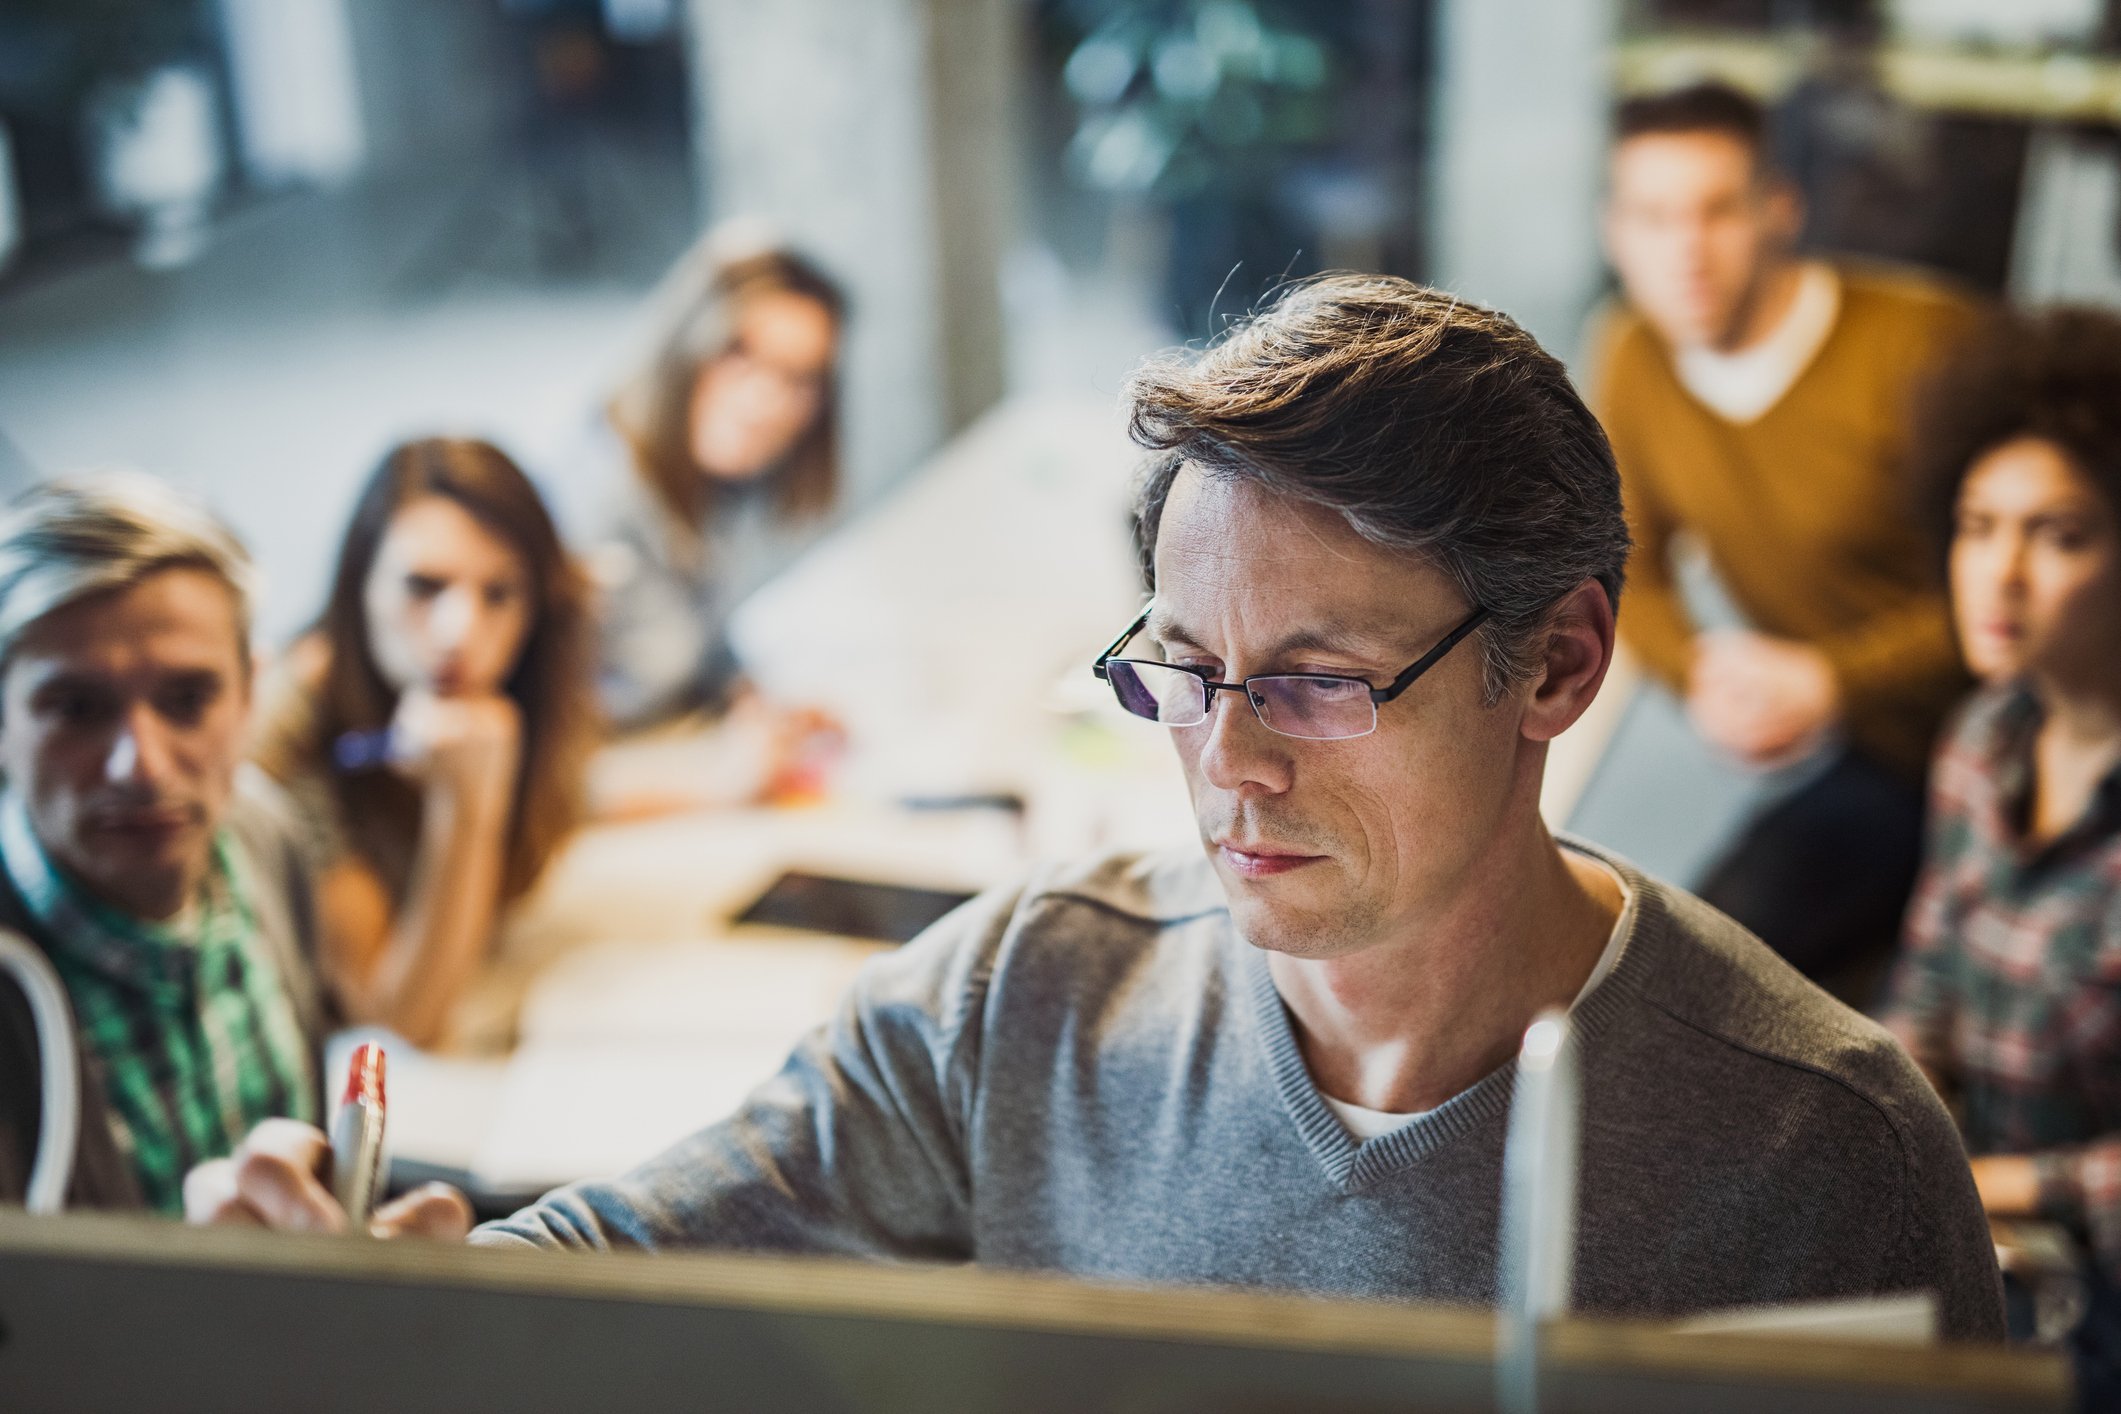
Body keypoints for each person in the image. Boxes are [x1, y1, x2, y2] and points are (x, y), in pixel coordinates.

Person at [192, 277, 2004, 1337]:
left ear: (1553, 666)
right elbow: (615, 1261)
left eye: (1313, 676)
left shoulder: (1818, 1152)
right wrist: (384, 1286)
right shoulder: (1029, 996)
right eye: (1185, 668)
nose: (1228, 758)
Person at [1594, 80, 1979, 982]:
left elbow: (2030, 593)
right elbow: (1622, 565)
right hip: (1872, 757)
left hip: (2008, 742)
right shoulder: (1634, 354)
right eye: (1651, 218)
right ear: (1615, 233)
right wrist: (1704, 679)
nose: (1684, 251)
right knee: (1691, 961)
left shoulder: (1925, 347)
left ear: (1779, 209)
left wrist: (1830, 680)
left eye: (1715, 211)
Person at [1879, 308, 2121, 1393]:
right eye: (1979, 525)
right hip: (1998, 1262)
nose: (2000, 574)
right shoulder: (1983, 739)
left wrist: (1994, 1187)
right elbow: (1925, 996)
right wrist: (1887, 1131)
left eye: (2058, 535)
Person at [0, 474, 326, 1214]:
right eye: (78, 709)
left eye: (187, 700)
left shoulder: (265, 842)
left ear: (249, 695)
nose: (141, 766)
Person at [251, 438, 596, 1050]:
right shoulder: (292, 731)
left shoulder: (529, 689)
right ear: (359, 589)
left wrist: (727, 785)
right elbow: (400, 1026)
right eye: (423, 586)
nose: (459, 631)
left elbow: (582, 797)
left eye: (499, 593)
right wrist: (466, 806)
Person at [574, 229, 846, 733]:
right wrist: (718, 785)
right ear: (687, 343)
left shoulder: (717, 485)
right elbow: (553, 756)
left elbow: (699, 647)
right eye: (739, 355)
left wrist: (756, 705)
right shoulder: (595, 503)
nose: (765, 400)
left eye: (799, 379)